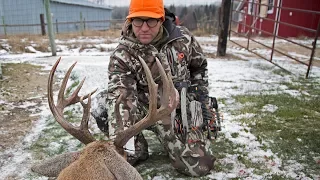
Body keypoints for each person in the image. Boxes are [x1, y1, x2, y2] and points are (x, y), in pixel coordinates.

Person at [92, 0, 219, 177]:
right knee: (103, 107)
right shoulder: (122, 54)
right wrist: (122, 143)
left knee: (198, 166)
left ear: (161, 19)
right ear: (130, 21)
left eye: (151, 21)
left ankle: (183, 138)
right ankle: (137, 148)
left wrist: (198, 98)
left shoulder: (183, 40)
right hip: (140, 108)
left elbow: (199, 67)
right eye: (138, 21)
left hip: (175, 110)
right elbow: (121, 97)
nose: (144, 28)